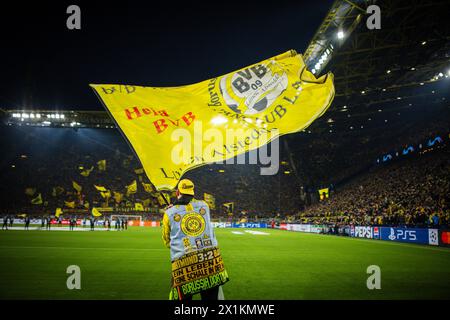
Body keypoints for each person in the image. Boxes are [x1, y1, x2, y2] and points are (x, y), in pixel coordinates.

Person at [162, 179, 229, 301]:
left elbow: (167, 241)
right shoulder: (205, 205)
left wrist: (172, 210)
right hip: (210, 262)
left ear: (177, 192)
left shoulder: (169, 213)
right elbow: (191, 207)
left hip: (184, 267)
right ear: (193, 192)